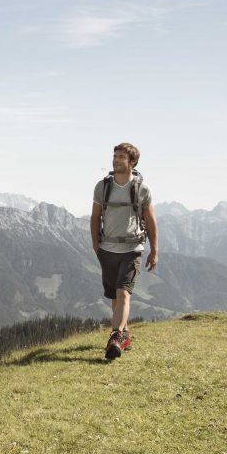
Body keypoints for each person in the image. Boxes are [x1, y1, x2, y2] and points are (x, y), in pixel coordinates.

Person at [90, 143, 159, 360]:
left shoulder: (142, 188)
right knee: (114, 296)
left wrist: (154, 249)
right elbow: (94, 217)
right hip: (108, 249)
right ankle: (125, 333)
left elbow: (150, 219)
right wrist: (95, 245)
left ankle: (116, 336)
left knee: (123, 293)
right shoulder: (102, 187)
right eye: (115, 156)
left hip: (132, 248)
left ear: (132, 162)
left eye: (121, 157)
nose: (116, 160)